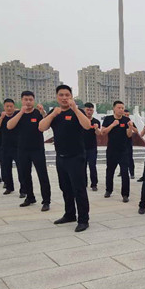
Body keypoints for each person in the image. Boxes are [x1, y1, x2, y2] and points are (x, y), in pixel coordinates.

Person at [39, 85, 91, 232]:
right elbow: (41, 127)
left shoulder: (77, 112)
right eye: (61, 95)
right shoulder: (54, 112)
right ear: (57, 97)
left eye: (67, 95)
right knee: (65, 188)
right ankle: (69, 214)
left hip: (76, 157)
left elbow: (87, 126)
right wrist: (52, 115)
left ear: (71, 97)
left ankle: (83, 219)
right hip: (61, 157)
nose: (64, 98)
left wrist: (75, 109)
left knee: (79, 189)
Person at [6, 92, 50, 210]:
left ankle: (46, 201)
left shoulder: (38, 113)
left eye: (30, 99)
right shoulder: (17, 114)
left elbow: (47, 125)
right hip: (22, 150)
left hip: (37, 149)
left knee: (42, 175)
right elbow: (9, 126)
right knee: (25, 175)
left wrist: (43, 112)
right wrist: (21, 112)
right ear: (22, 100)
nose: (28, 102)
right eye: (26, 99)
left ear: (34, 100)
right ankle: (30, 197)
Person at [101, 101, 133, 202]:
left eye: (122, 108)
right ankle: (108, 190)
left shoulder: (126, 120)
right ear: (114, 108)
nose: (121, 110)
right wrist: (112, 125)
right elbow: (103, 132)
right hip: (111, 150)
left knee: (125, 172)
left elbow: (129, 135)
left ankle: (125, 194)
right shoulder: (108, 119)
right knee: (110, 171)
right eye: (119, 108)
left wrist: (130, 127)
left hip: (123, 150)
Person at [0, 98, 25, 196]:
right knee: (6, 168)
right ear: (4, 107)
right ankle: (9, 187)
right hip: (5, 147)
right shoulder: (1, 117)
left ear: (14, 107)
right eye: (7, 106)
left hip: (17, 147)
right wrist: (1, 117)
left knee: (21, 169)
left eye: (11, 106)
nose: (9, 108)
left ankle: (23, 190)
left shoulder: (18, 115)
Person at [82, 102, 101, 191]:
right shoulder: (80, 120)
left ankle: (94, 184)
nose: (89, 112)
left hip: (92, 147)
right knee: (82, 167)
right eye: (87, 110)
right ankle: (84, 183)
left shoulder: (96, 121)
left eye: (91, 110)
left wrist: (96, 128)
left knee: (92, 166)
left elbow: (99, 133)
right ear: (84, 110)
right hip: (81, 147)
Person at [124, 108, 136, 179]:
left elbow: (136, 131)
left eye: (128, 115)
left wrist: (131, 126)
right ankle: (122, 172)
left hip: (128, 143)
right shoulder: (119, 121)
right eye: (125, 115)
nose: (126, 116)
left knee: (130, 158)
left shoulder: (131, 122)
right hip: (120, 143)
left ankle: (132, 173)